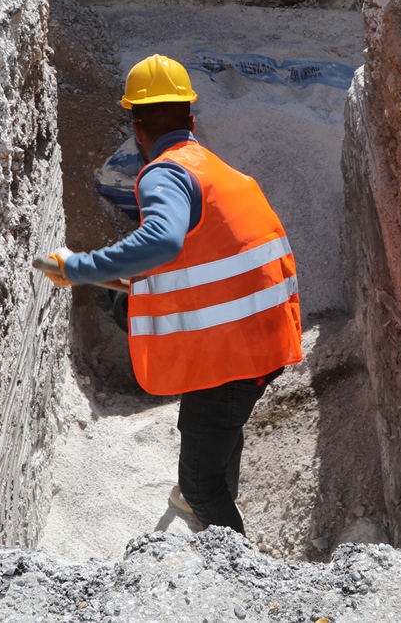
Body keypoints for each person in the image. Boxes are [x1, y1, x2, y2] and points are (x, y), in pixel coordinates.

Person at [34, 54, 304, 535]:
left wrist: (79, 268)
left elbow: (161, 241)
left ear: (136, 128)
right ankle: (213, 498)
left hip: (230, 353)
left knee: (200, 484)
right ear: (192, 121)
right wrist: (111, 279)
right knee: (218, 432)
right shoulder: (213, 169)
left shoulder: (164, 174)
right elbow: (193, 265)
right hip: (263, 336)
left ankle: (237, 574)